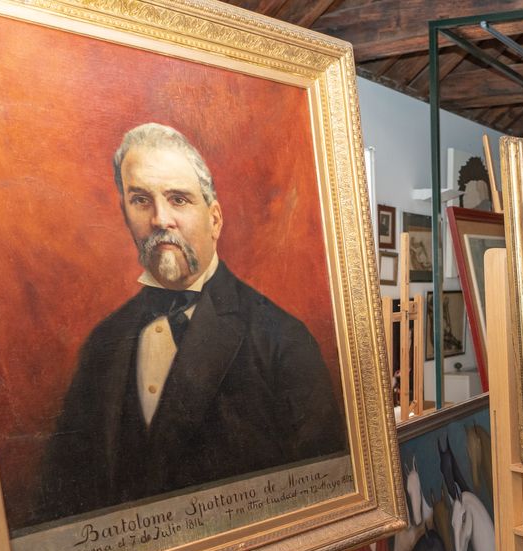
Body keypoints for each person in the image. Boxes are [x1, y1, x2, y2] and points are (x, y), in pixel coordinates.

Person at [32, 123, 346, 525]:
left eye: (178, 199)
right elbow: (60, 498)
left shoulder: (282, 340)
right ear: (125, 214)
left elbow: (325, 496)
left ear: (214, 219)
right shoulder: (103, 344)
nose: (161, 219)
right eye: (141, 200)